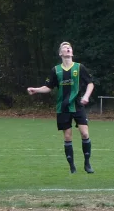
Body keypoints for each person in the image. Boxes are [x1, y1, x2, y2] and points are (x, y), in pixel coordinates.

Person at [27, 42, 95, 174]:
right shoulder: (56, 70)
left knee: (85, 133)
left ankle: (87, 163)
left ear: (72, 52)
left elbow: (90, 84)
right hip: (62, 107)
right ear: (60, 53)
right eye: (65, 48)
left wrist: (86, 96)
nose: (68, 49)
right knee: (68, 137)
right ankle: (72, 167)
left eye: (69, 48)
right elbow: (48, 87)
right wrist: (36, 89)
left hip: (77, 106)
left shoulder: (80, 67)